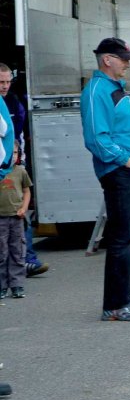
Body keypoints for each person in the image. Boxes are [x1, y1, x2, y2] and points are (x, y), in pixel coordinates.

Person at [80, 38, 130, 321]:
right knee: (123, 238)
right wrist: (127, 160)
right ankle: (114, 305)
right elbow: (96, 138)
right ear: (107, 60)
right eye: (123, 58)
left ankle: (125, 298)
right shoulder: (97, 91)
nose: (128, 63)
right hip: (120, 171)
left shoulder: (114, 89)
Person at [0, 64, 48, 278]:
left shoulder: (13, 101)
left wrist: (17, 159)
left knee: (20, 212)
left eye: (8, 81)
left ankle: (26, 259)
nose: (5, 86)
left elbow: (18, 133)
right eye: (1, 82)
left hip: (14, 164)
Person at [0, 143, 31, 298]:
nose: (12, 155)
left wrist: (24, 208)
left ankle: (17, 285)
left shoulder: (20, 172)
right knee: (1, 253)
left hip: (16, 217)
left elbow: (26, 191)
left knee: (17, 251)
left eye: (15, 152)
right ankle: (2, 285)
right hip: (1, 219)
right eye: (8, 152)